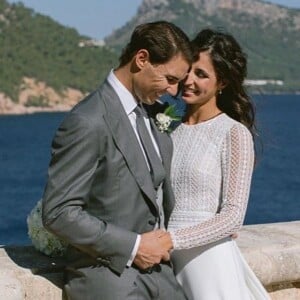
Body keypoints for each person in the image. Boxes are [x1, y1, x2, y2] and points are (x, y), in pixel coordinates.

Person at [41, 21, 192, 300]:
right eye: (170, 79)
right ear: (142, 59)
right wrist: (135, 246)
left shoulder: (153, 113)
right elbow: (58, 212)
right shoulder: (88, 120)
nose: (174, 92)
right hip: (109, 282)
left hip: (164, 280)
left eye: (178, 83)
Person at [160, 29, 271, 299]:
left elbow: (233, 218)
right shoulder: (166, 127)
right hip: (164, 264)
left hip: (207, 263)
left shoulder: (233, 134)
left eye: (202, 74)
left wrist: (172, 239)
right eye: (188, 71)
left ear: (222, 83)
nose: (189, 80)